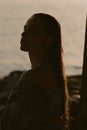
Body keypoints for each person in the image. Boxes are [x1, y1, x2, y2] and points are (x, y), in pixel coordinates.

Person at [0, 13, 70, 130]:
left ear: (48, 41)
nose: (23, 34)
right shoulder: (52, 73)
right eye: (24, 29)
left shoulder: (33, 77)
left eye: (32, 31)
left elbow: (10, 122)